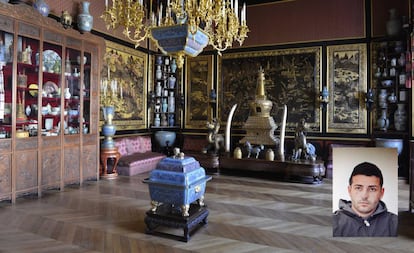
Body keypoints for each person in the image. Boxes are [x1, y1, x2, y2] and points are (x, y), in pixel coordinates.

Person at [332, 162, 398, 237]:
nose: (364, 196)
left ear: (381, 193)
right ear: (350, 191)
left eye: (372, 189)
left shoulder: (395, 224)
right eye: (358, 188)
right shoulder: (333, 222)